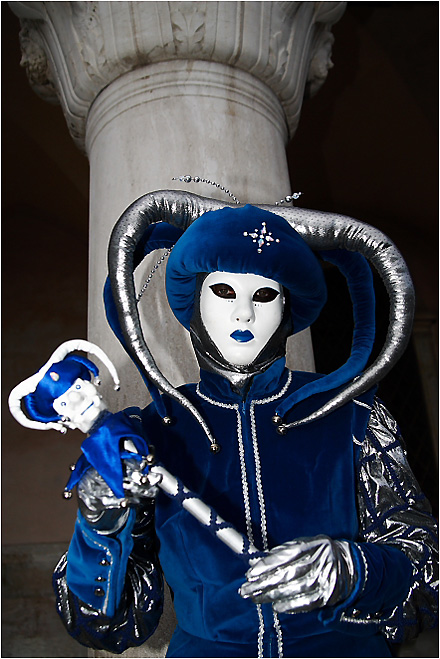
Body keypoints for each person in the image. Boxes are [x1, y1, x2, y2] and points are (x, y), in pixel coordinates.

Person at [12, 194, 438, 657]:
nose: (244, 314)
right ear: (195, 301)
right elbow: (102, 624)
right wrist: (101, 526)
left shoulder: (352, 417)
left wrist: (354, 572)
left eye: (264, 294)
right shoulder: (150, 435)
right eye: (224, 292)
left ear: (287, 307)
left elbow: (427, 571)